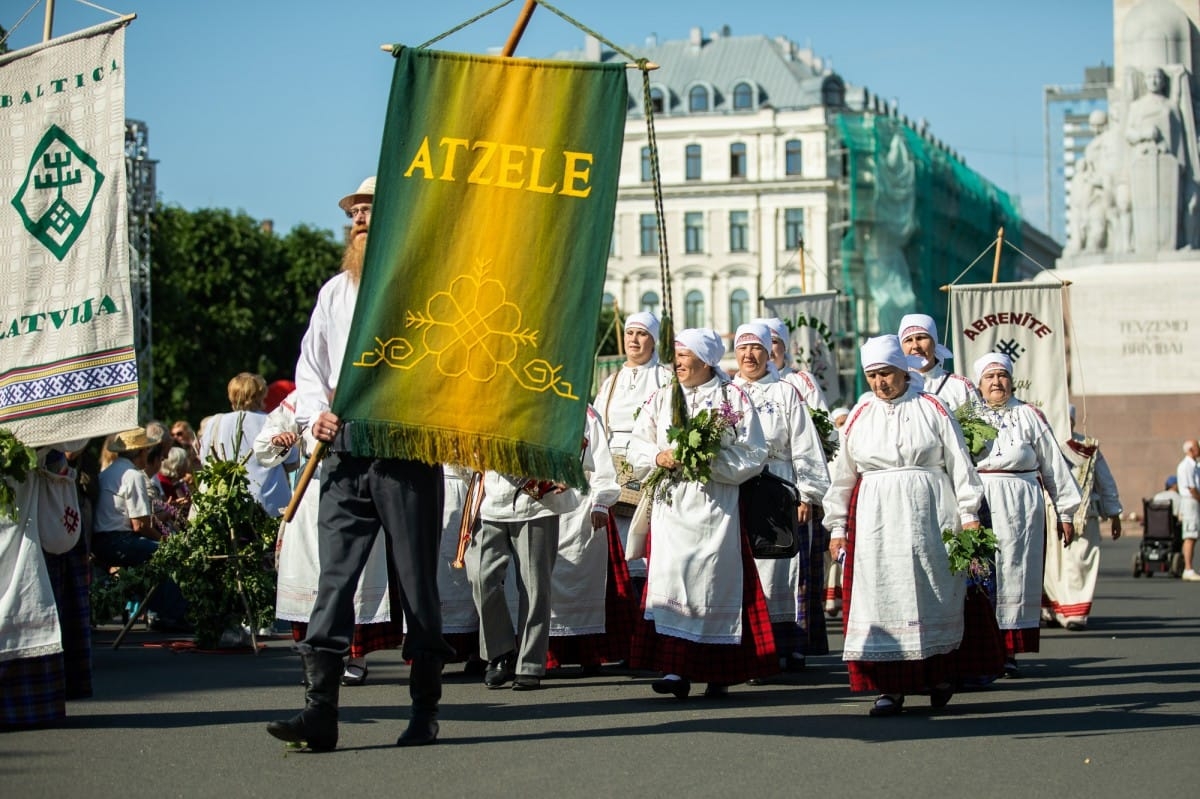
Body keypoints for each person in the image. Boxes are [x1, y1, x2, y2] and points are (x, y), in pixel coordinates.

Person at [267, 176, 451, 751]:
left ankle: (424, 710)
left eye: (371, 210)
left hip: (404, 454)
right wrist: (315, 414)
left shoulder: (424, 287)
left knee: (417, 584)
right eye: (356, 212)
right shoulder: (334, 292)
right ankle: (319, 713)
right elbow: (311, 368)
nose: (360, 219)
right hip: (345, 457)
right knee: (333, 582)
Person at [823, 335, 983, 717]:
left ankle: (938, 675)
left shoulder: (932, 407)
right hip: (877, 517)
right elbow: (842, 476)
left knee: (932, 590)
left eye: (887, 374)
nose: (880, 383)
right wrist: (837, 527)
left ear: (903, 370)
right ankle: (888, 687)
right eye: (873, 376)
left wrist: (969, 514)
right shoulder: (861, 414)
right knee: (882, 595)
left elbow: (959, 463)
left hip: (929, 511)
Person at [627, 328, 774, 699]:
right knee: (672, 579)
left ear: (705, 360)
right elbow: (636, 443)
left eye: (684, 355)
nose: (676, 362)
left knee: (711, 581)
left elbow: (754, 453)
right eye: (675, 354)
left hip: (715, 507)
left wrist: (708, 463)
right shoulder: (662, 398)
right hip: (672, 505)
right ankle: (675, 669)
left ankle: (718, 670)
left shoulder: (732, 397)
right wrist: (658, 457)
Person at [253, 391, 403, 686]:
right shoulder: (302, 396)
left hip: (358, 488)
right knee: (310, 575)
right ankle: (315, 660)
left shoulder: (365, 390)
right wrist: (279, 439)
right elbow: (268, 437)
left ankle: (356, 658)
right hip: (313, 491)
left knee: (355, 573)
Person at [971, 353, 1081, 676]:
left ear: (1012, 380)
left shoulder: (1030, 416)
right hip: (980, 501)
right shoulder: (968, 417)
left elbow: (1053, 466)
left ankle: (1008, 651)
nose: (996, 382)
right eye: (989, 377)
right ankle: (980, 649)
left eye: (1001, 376)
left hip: (1022, 504)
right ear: (979, 384)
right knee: (980, 574)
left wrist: (1066, 512)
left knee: (1015, 574)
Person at [468, 430, 604, 690]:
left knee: (534, 586)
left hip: (537, 502)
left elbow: (571, 423)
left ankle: (529, 663)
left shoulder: (541, 389)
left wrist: (566, 468)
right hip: (491, 500)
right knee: (482, 577)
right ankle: (501, 652)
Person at [732, 323, 830, 675]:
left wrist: (808, 493)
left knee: (781, 567)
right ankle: (752, 649)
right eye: (742, 348)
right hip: (740, 488)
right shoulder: (729, 392)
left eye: (756, 348)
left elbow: (805, 444)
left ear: (768, 352)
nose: (749, 355)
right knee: (747, 568)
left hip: (780, 484)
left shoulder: (786, 393)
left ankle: (787, 646)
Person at [592, 311, 673, 595]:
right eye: (630, 333)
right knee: (614, 551)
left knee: (645, 549)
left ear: (653, 340)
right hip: (612, 468)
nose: (634, 340)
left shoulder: (665, 377)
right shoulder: (611, 381)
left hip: (650, 465)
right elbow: (598, 427)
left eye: (642, 334)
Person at [544, 407, 624, 674]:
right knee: (539, 577)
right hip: (538, 500)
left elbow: (602, 462)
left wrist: (601, 502)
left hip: (579, 501)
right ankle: (541, 654)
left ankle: (588, 652)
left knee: (581, 576)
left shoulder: (584, 412)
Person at [92, 428, 188, 630]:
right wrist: (166, 542)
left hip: (101, 541)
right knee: (170, 554)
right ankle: (169, 614)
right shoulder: (133, 475)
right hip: (118, 541)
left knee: (157, 553)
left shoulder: (108, 472)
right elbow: (140, 525)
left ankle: (158, 610)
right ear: (141, 453)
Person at [1044, 405, 1123, 630]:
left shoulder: (1088, 447)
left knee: (1078, 561)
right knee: (1052, 564)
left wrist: (1114, 513)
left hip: (1083, 516)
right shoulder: (1044, 444)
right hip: (1050, 515)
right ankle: (1053, 609)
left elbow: (1105, 481)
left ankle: (1075, 613)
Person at [200, 373, 298, 518]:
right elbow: (292, 462)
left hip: (226, 504)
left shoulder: (215, 422)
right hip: (270, 505)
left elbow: (205, 461)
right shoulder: (272, 421)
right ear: (260, 395)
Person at [897, 313, 978, 412]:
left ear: (934, 341)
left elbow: (979, 423)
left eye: (921, 338)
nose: (915, 346)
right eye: (908, 340)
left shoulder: (961, 386)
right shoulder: (894, 386)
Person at [753, 317, 830, 412]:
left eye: (773, 341)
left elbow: (824, 421)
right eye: (760, 344)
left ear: (784, 347)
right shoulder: (741, 385)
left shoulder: (801, 381)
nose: (768, 348)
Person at [1175, 441, 1200, 580]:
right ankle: (1188, 568)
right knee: (1190, 535)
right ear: (1191, 449)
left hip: (1194, 502)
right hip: (1191, 501)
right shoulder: (1186, 466)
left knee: (1194, 535)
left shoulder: (1194, 465)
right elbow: (1192, 488)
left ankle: (1189, 567)